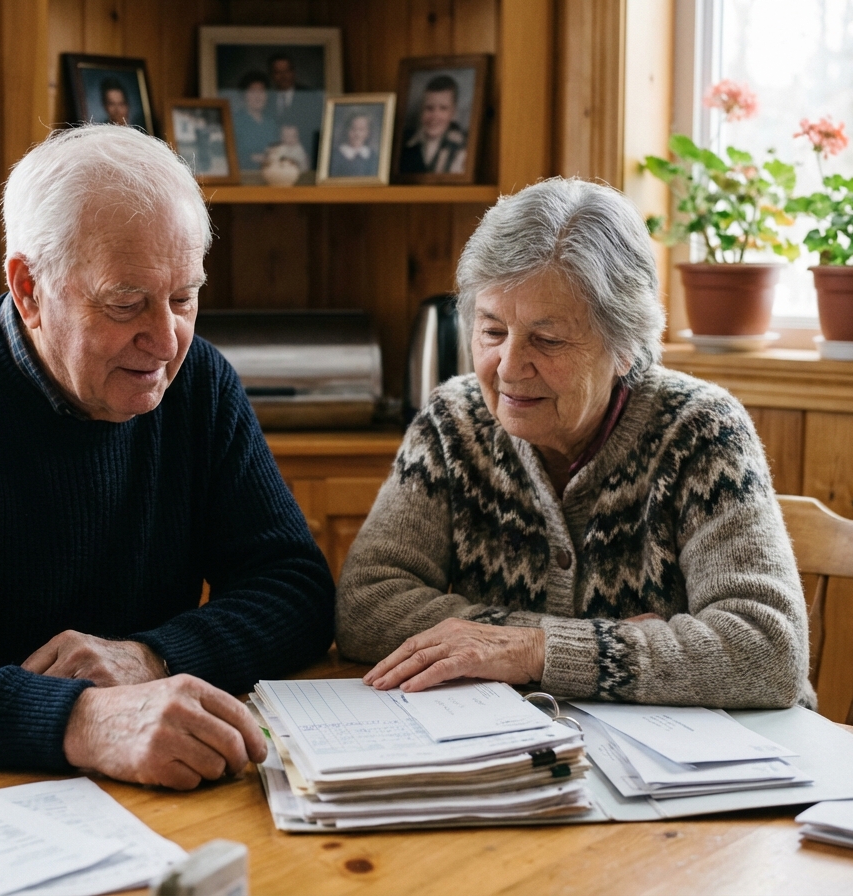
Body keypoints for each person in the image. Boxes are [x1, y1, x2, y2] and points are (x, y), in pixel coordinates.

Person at [0, 124, 336, 789]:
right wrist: (81, 720)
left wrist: (151, 659)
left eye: (184, 298)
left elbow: (296, 591)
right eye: (125, 302)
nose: (166, 340)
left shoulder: (200, 385)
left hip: (119, 779)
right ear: (28, 289)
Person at [337, 178, 811, 710]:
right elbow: (365, 606)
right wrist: (551, 643)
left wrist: (536, 650)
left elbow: (767, 650)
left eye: (548, 339)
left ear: (626, 347)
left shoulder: (701, 431)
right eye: (492, 331)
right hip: (522, 757)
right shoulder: (453, 422)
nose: (510, 368)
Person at [399, 74, 468, 176]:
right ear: (421, 110)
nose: (435, 116)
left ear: (453, 113)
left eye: (443, 108)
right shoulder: (404, 142)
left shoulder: (462, 147)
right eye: (429, 108)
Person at [267, 53, 322, 163]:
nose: (283, 76)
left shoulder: (310, 96)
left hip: (305, 158)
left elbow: (317, 131)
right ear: (272, 75)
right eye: (278, 72)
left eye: (287, 71)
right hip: (275, 160)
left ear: (293, 72)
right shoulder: (266, 98)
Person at [233, 72, 278, 170]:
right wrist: (252, 158)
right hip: (244, 175)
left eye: (261, 91)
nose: (258, 96)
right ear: (244, 95)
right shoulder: (235, 121)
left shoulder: (271, 122)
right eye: (252, 91)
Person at [330, 111, 378, 178]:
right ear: (346, 130)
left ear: (368, 132)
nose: (357, 134)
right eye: (353, 129)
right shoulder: (335, 155)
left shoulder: (373, 156)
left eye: (362, 129)